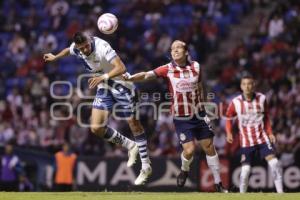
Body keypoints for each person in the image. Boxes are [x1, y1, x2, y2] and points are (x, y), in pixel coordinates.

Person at [43, 32, 151, 185]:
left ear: (89, 40)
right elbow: (69, 49)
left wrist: (103, 77)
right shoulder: (77, 48)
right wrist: (56, 57)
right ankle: (130, 145)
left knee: (133, 124)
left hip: (123, 85)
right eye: (82, 48)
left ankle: (146, 166)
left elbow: (121, 67)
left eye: (86, 45)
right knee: (95, 128)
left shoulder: (102, 47)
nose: (85, 49)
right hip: (104, 87)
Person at [123, 40, 227, 192]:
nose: (175, 50)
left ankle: (219, 184)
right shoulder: (168, 69)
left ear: (186, 52)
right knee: (190, 150)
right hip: (181, 117)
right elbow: (147, 75)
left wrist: (202, 102)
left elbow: (199, 85)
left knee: (209, 147)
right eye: (172, 49)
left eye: (178, 48)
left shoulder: (196, 67)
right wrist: (131, 78)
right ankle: (185, 170)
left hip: (199, 114)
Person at [225, 72, 283, 193]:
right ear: (241, 86)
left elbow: (266, 117)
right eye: (244, 84)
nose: (247, 87)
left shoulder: (262, 98)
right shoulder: (235, 102)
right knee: (245, 171)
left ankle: (281, 194)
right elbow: (229, 117)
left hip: (262, 138)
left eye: (249, 84)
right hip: (246, 141)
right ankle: (242, 195)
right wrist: (229, 132)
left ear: (254, 85)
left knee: (274, 163)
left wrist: (270, 133)